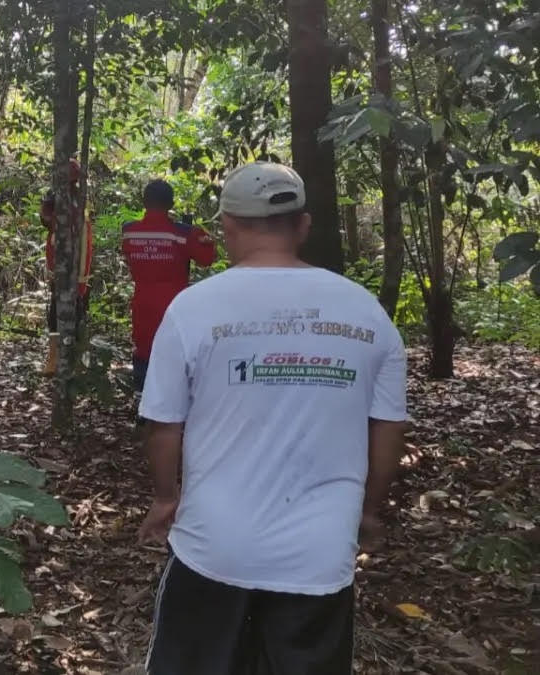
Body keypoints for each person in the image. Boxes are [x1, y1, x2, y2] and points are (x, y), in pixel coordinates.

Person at [137, 162, 408, 674]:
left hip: (214, 545)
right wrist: (368, 512)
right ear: (304, 225)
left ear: (228, 226)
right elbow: (388, 427)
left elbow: (164, 426)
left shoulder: (193, 308)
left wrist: (165, 497)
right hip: (321, 549)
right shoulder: (367, 312)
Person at [122, 180, 216, 396]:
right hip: (174, 304)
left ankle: (142, 400)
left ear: (144, 201)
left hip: (142, 301)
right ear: (171, 203)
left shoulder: (129, 231)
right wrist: (199, 233)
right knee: (175, 349)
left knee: (144, 347)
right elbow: (207, 258)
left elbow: (129, 255)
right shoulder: (184, 234)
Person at [41, 159, 93, 376]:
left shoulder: (73, 202)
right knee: (66, 311)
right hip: (70, 267)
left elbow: (47, 222)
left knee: (69, 311)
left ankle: (72, 360)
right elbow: (46, 222)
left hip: (73, 267)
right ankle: (63, 359)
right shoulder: (66, 200)